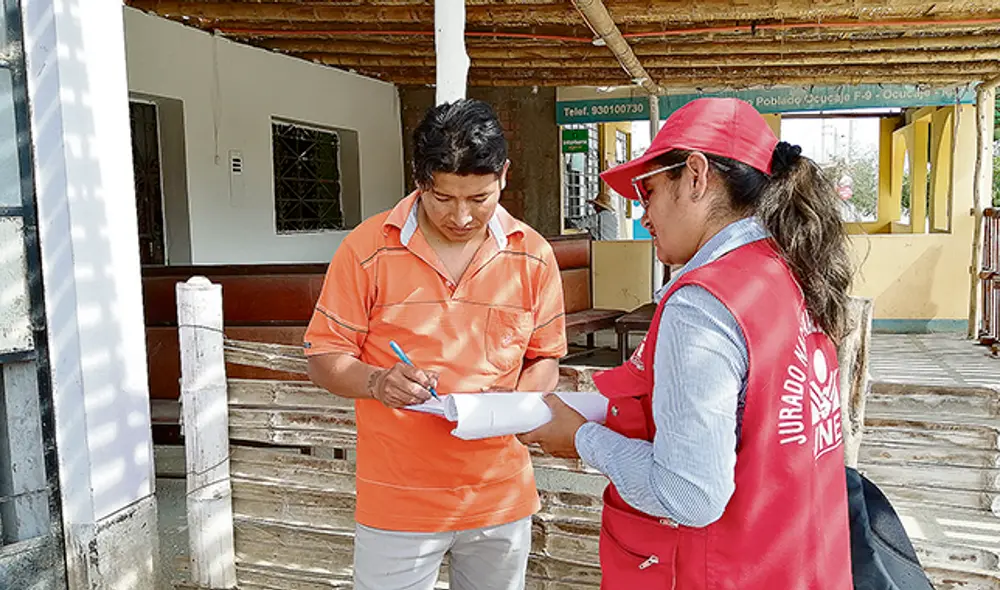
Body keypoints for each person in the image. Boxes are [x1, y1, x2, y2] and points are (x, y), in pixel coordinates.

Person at [519, 97, 855, 589]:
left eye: (648, 189)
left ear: (696, 176)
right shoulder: (792, 272)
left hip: (725, 571)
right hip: (802, 564)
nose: (644, 212)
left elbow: (690, 494)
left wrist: (579, 438)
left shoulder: (702, 303)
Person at [304, 99, 568, 590]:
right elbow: (323, 357)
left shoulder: (532, 256)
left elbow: (545, 357)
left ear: (504, 176)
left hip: (500, 496)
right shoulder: (366, 249)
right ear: (419, 179)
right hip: (397, 500)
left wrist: (516, 404)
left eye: (480, 198)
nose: (463, 216)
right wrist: (378, 381)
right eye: (443, 198)